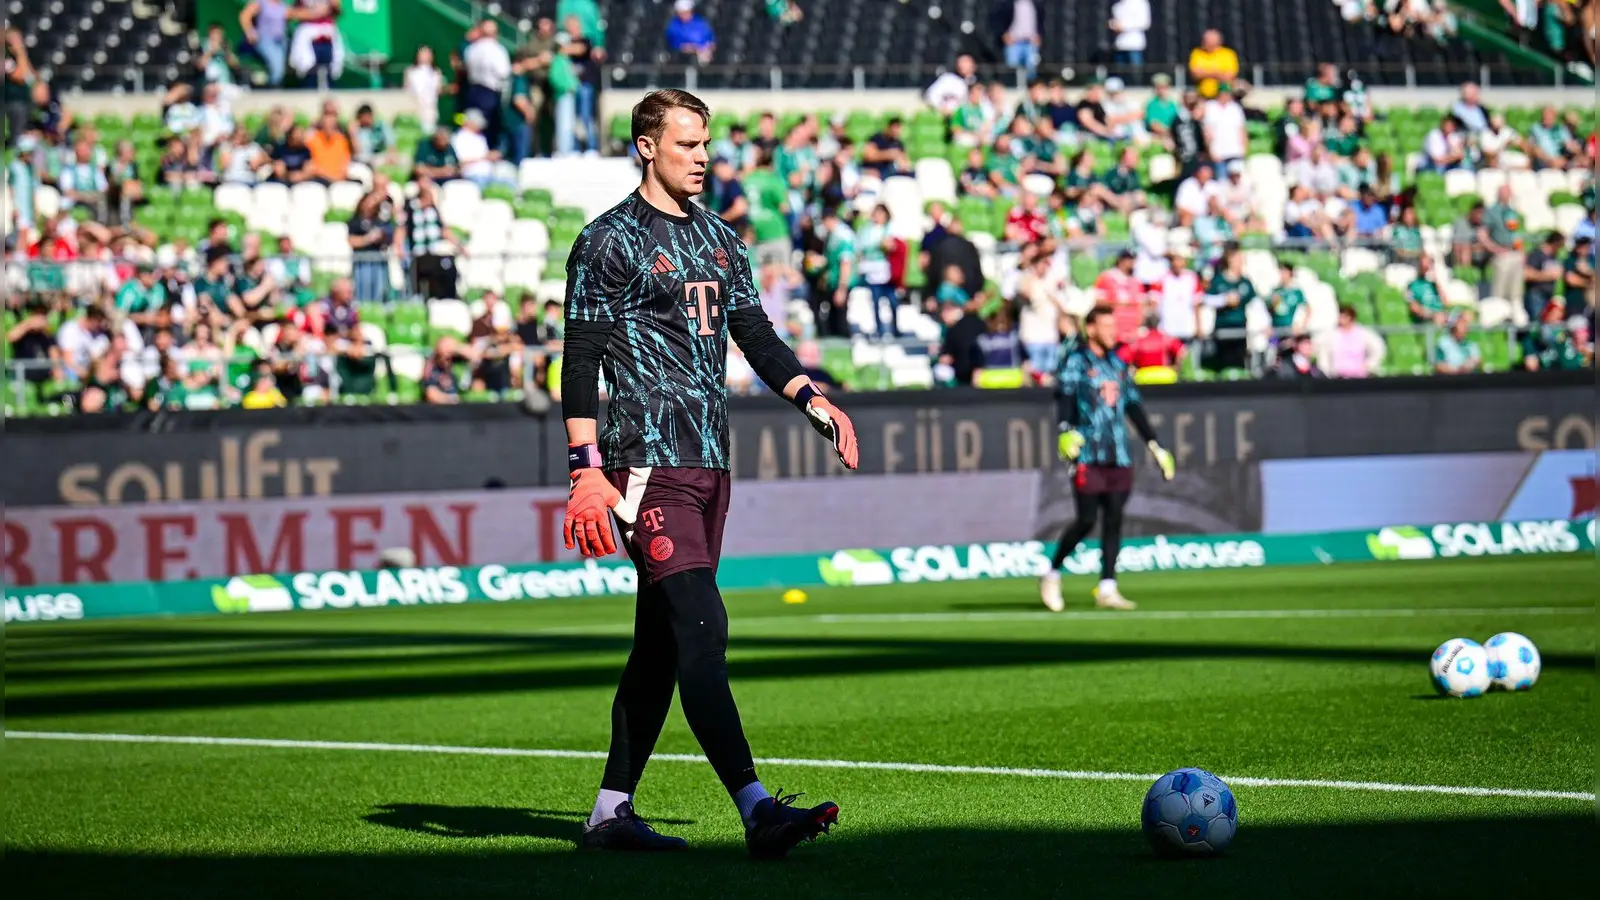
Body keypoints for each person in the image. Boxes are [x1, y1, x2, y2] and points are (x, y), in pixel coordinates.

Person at [560, 89, 857, 857]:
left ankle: (609, 814)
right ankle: (758, 810)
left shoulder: (723, 239)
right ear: (646, 148)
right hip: (643, 465)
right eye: (687, 144)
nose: (701, 157)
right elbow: (581, 356)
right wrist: (585, 470)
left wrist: (811, 397)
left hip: (709, 461)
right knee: (701, 623)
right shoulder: (607, 241)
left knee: (660, 644)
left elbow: (754, 331)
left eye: (705, 144)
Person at [1040, 305, 1176, 613]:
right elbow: (1063, 398)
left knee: (1114, 517)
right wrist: (1064, 430)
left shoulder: (1118, 364)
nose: (1112, 332)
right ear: (1091, 329)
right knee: (1087, 519)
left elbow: (1133, 406)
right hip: (1088, 450)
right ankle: (1052, 573)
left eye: (1113, 326)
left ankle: (1107, 586)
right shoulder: (1076, 362)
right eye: (1106, 326)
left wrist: (1155, 444)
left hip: (1119, 452)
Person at [239, 0, 291, 86]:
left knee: (280, 69)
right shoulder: (261, 2)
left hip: (281, 41)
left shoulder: (282, 5)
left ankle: (276, 88)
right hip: (266, 40)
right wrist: (250, 32)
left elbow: (295, 14)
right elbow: (244, 16)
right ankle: (273, 90)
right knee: (276, 68)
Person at [1187, 28, 1238, 99]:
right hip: (1203, 96)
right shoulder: (1197, 53)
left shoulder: (1228, 54)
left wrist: (1205, 72)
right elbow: (1195, 74)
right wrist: (1218, 72)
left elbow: (1229, 76)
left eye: (1206, 41)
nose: (1203, 43)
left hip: (1223, 97)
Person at [665, 0, 717, 64]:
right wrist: (694, 49)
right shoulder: (673, 26)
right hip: (684, 57)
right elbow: (676, 45)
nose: (686, 14)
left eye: (688, 11)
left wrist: (708, 48)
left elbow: (711, 39)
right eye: (683, 12)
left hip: (705, 53)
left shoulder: (701, 22)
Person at [1433, 309, 1482, 374]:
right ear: (1453, 325)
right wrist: (1457, 371)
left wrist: (1471, 364)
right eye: (1461, 323)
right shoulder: (1442, 343)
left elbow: (1478, 361)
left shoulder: (1471, 344)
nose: (1465, 326)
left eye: (1465, 323)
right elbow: (1438, 366)